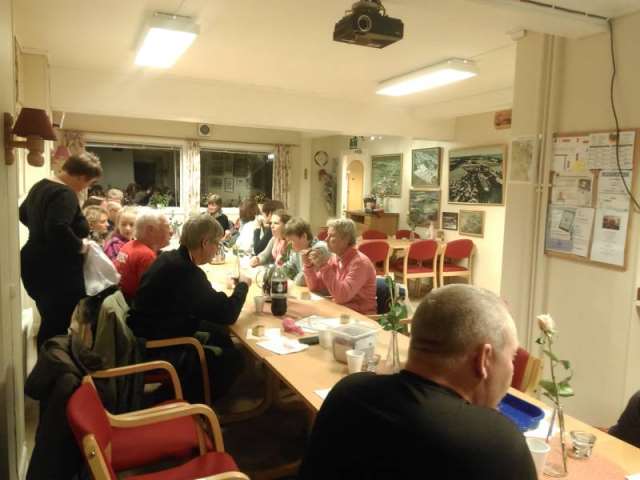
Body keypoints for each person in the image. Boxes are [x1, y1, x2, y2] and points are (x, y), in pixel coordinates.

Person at [299, 284, 536, 479]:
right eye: (512, 357)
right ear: (484, 359)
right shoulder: (498, 443)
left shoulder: (348, 392)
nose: (512, 368)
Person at [128, 213, 251, 402]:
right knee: (234, 358)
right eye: (217, 244)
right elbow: (228, 313)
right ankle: (191, 402)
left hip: (148, 330)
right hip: (158, 345)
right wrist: (243, 285)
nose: (217, 249)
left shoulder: (169, 258)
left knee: (220, 332)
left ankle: (200, 383)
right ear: (205, 243)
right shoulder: (186, 272)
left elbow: (206, 302)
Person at [20, 153, 103, 349]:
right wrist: (80, 245)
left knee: (50, 320)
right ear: (81, 177)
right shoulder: (64, 193)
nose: (85, 187)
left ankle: (50, 361)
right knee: (56, 325)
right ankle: (53, 364)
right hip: (55, 269)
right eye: (88, 182)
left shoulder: (41, 186)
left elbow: (22, 213)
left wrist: (39, 234)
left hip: (34, 261)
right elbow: (58, 227)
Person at [302, 218, 376, 315]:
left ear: (346, 239)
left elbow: (342, 297)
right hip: (341, 311)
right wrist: (308, 266)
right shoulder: (335, 258)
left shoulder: (360, 263)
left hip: (360, 316)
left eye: (332, 236)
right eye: (327, 235)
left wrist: (324, 266)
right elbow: (315, 287)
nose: (326, 239)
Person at [114, 208, 171, 301]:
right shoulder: (146, 255)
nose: (171, 232)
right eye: (167, 226)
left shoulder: (129, 245)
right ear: (150, 230)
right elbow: (153, 294)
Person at [282, 217, 328, 286]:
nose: (290, 245)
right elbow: (286, 269)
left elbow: (302, 280)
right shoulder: (298, 250)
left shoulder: (319, 249)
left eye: (291, 241)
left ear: (304, 236)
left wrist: (291, 280)